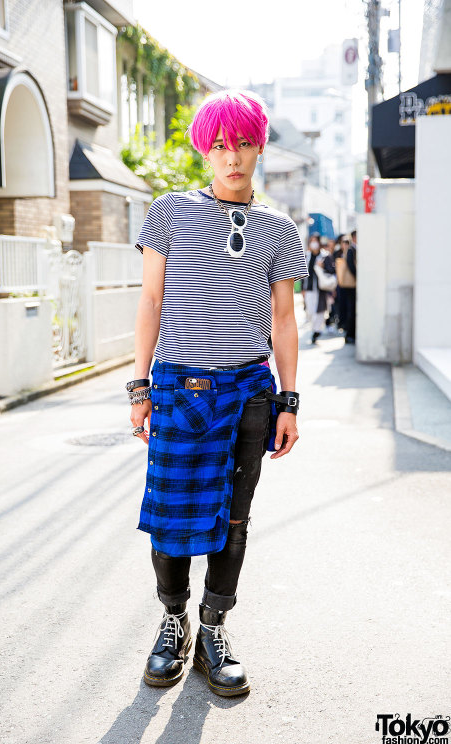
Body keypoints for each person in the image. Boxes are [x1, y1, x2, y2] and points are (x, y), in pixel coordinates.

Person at [128, 89, 308, 698]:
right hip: (180, 389)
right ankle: (172, 622)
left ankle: (212, 631)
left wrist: (289, 401)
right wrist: (139, 385)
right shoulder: (169, 212)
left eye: (245, 143)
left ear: (259, 145)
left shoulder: (278, 229)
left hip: (249, 394)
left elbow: (284, 321)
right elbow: (151, 301)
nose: (233, 155)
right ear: (206, 149)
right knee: (172, 520)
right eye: (221, 144)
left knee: (234, 520)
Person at [303, 232, 336, 344]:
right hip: (309, 288)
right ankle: (316, 329)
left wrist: (322, 267)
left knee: (320, 311)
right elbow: (302, 274)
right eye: (311, 241)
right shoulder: (306, 256)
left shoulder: (325, 256)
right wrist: (303, 288)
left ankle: (316, 331)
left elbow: (332, 271)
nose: (313, 243)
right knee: (310, 311)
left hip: (320, 289)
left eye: (315, 241)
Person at [343, 229, 357, 344]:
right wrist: (358, 276)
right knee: (351, 309)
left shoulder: (353, 249)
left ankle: (351, 334)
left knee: (352, 309)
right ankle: (349, 334)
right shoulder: (351, 249)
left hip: (353, 284)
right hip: (351, 285)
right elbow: (351, 266)